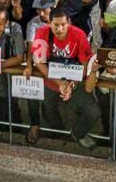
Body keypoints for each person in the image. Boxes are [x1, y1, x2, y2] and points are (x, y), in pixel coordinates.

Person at [31, 8, 102, 147]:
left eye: (63, 24)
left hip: (74, 81)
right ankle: (59, 134)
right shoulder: (42, 33)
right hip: (50, 82)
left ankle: (78, 132)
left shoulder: (79, 34)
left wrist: (71, 84)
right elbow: (39, 62)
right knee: (49, 111)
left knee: (93, 111)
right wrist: (60, 83)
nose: (60, 29)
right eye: (55, 25)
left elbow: (85, 64)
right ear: (49, 23)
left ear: (69, 22)